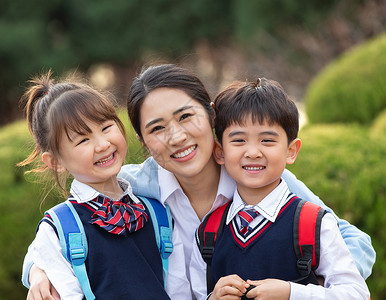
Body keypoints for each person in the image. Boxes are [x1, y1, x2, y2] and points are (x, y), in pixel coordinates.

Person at [22, 64, 375, 300]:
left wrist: (288, 286)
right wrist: (39, 270)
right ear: (143, 142)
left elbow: (355, 245)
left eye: (186, 117)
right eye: (157, 128)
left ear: (210, 114)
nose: (176, 137)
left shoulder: (255, 175)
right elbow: (69, 225)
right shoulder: (136, 188)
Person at [189, 78, 370, 300]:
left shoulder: (313, 224)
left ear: (291, 151)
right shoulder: (209, 232)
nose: (253, 152)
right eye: (238, 140)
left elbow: (355, 293)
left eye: (267, 140)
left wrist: (291, 292)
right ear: (219, 152)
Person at [18, 70, 190, 299]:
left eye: (106, 127)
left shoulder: (158, 212)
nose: (102, 144)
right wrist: (36, 270)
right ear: (56, 162)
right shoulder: (60, 229)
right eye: (82, 140)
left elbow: (180, 292)